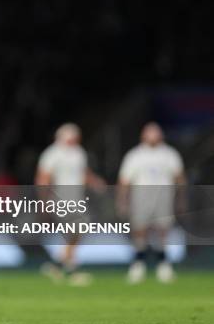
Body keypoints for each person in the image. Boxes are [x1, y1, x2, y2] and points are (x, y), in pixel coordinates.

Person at [35, 123, 105, 286]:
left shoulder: (78, 153)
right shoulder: (52, 153)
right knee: (76, 229)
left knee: (76, 231)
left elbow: (83, 173)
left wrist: (95, 182)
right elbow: (43, 178)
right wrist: (44, 201)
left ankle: (61, 265)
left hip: (77, 198)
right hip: (61, 198)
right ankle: (66, 267)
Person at [117, 122, 186, 284]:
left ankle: (163, 266)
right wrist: (122, 200)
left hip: (163, 197)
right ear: (143, 135)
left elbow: (179, 178)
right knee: (140, 230)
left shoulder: (169, 154)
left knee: (163, 231)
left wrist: (181, 198)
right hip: (141, 197)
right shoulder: (135, 155)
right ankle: (138, 265)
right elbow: (124, 181)